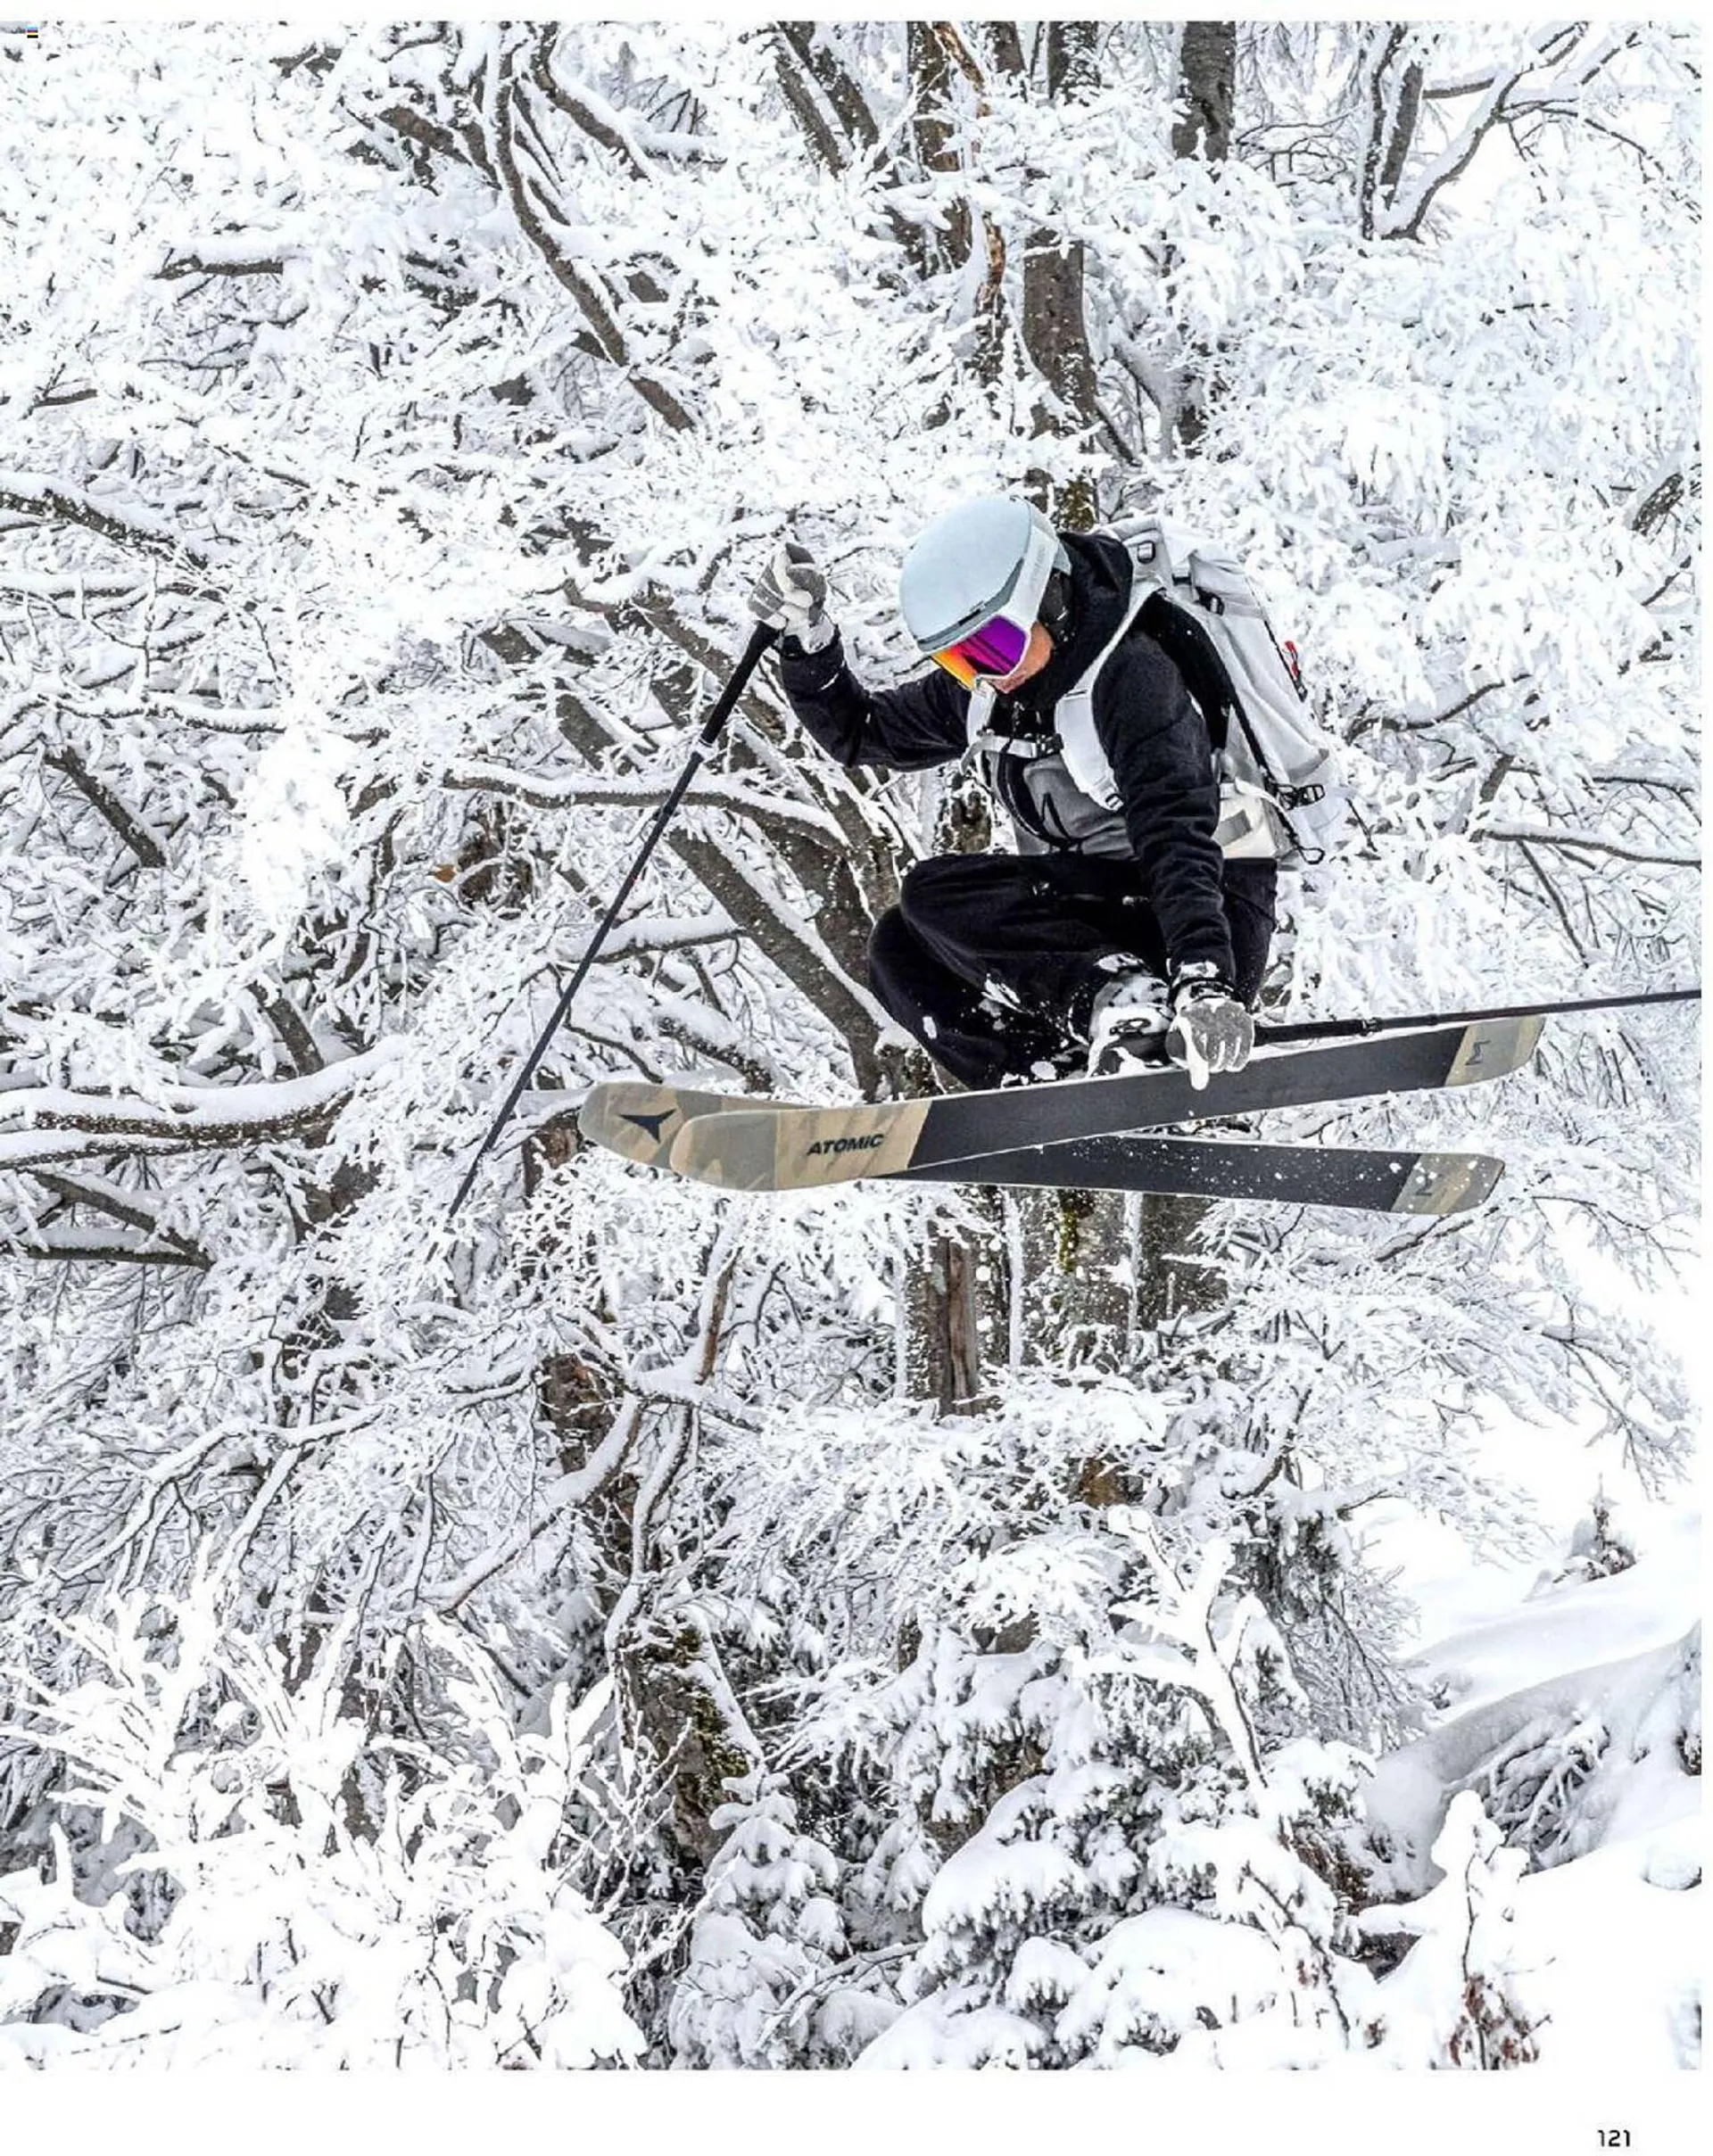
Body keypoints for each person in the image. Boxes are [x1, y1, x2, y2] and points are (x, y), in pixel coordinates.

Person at [747, 496, 1276, 1090]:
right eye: (959, 659)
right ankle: (1050, 1073)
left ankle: (1131, 1006)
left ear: (1048, 599)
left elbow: (1177, 835)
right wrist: (806, 643)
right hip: (1114, 928)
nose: (988, 673)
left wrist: (1204, 979)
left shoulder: (1131, 676)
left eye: (996, 646)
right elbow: (861, 733)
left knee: (934, 889)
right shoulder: (993, 692)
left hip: (1208, 915)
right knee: (896, 948)